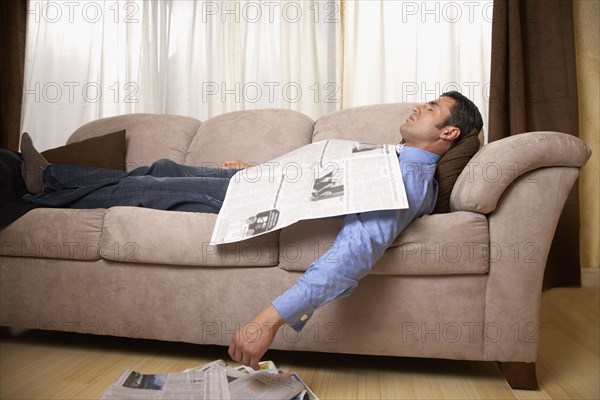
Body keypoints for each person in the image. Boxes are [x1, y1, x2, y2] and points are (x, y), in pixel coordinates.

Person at [19, 91, 483, 370]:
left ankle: (42, 184)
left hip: (257, 205)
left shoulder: (404, 179)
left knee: (151, 187)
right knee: (163, 166)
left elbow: (355, 253)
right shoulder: (395, 157)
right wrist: (260, 168)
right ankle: (46, 178)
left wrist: (267, 320)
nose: (419, 106)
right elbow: (320, 178)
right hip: (262, 183)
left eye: (433, 107)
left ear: (448, 135)